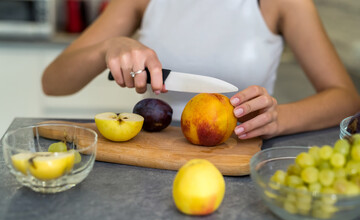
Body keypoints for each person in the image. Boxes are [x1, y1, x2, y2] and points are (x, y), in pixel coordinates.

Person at [42, 0, 360, 139]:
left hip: (242, 157)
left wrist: (279, 120)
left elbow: (346, 98)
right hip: (157, 155)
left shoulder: (283, 2)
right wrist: (107, 48)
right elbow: (53, 81)